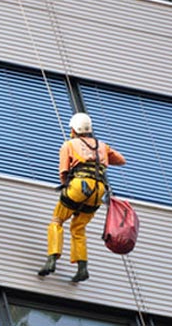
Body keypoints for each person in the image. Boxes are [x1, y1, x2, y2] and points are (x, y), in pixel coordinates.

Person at [38, 112, 126, 282]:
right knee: (78, 229)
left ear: (74, 129)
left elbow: (63, 172)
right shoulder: (102, 146)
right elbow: (121, 160)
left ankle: (51, 260)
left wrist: (66, 186)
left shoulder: (69, 145)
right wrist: (103, 155)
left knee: (57, 220)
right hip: (98, 191)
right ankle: (82, 268)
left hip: (79, 186)